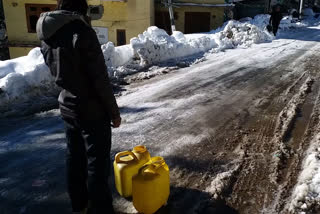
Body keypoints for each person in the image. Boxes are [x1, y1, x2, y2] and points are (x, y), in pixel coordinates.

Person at [36, 0, 121, 213]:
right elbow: (99, 79)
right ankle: (101, 209)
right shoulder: (82, 32)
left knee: (74, 160)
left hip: (67, 106)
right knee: (97, 167)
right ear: (79, 9)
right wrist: (114, 113)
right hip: (92, 110)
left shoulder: (47, 34)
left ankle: (79, 205)